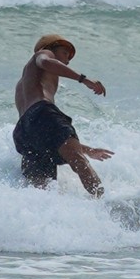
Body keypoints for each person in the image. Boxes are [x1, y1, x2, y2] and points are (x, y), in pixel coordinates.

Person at [13, 34, 114, 197]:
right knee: (80, 163)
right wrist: (84, 79)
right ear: (50, 47)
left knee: (41, 191)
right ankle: (104, 205)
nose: (66, 62)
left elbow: (43, 131)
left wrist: (87, 149)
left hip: (24, 133)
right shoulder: (43, 54)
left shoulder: (23, 86)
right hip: (43, 112)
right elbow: (45, 62)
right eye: (65, 54)